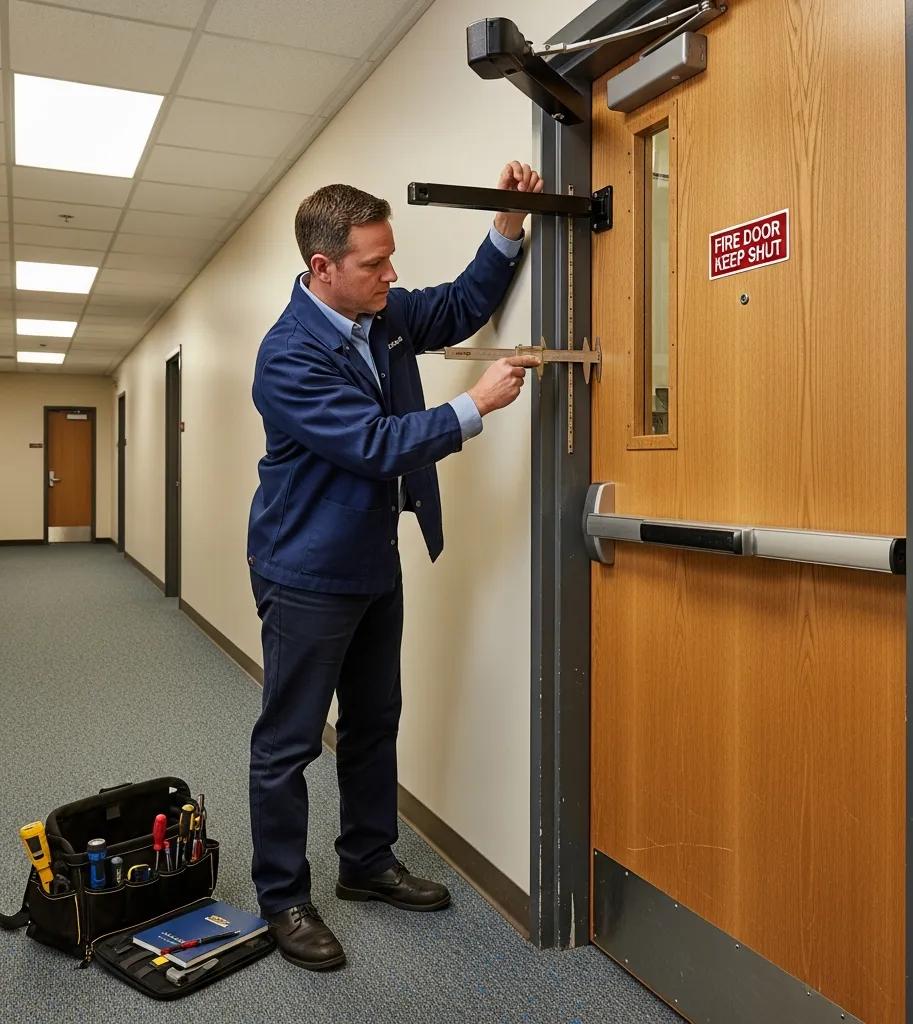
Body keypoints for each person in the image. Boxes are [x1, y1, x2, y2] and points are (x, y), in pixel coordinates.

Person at [246, 161, 542, 971]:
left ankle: (367, 864)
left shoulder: (380, 315)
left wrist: (507, 227)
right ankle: (284, 898)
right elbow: (374, 446)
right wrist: (472, 405)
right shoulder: (286, 359)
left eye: (390, 256)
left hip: (371, 560)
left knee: (374, 724)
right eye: (375, 263)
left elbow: (456, 303)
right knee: (290, 743)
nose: (391, 274)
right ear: (323, 269)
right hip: (304, 570)